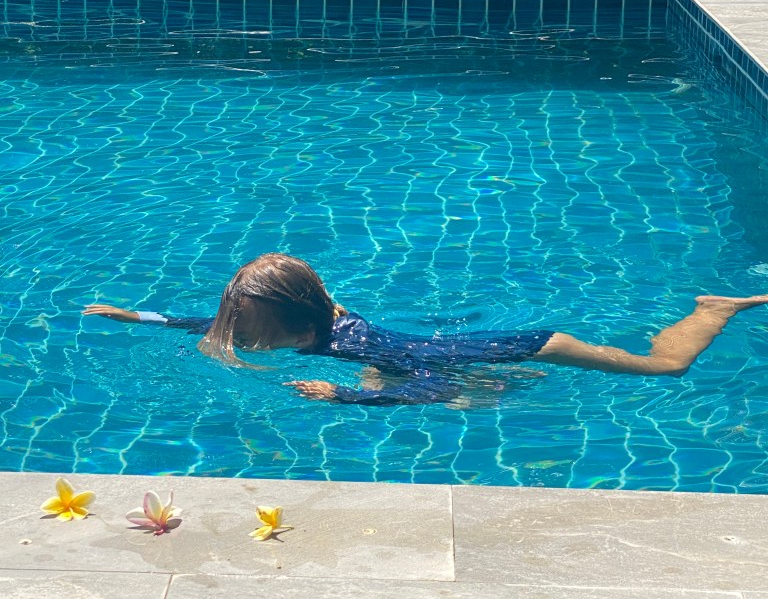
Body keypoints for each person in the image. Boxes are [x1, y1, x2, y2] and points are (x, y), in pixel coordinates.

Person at [82, 252, 768, 407]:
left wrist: (348, 396)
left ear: (295, 327)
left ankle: (713, 310)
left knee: (663, 369)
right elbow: (207, 321)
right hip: (449, 358)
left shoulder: (355, 344)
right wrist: (137, 317)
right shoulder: (313, 322)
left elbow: (431, 387)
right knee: (461, 387)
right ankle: (501, 386)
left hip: (535, 346)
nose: (241, 341)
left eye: (252, 333)